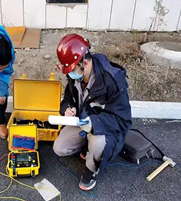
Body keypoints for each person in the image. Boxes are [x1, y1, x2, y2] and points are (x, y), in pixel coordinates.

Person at [53, 34, 132, 191]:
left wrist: (94, 124)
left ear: (85, 63)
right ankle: (87, 146)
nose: (70, 75)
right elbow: (67, 98)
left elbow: (123, 121)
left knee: (98, 142)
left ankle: (91, 171)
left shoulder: (113, 81)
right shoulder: (76, 75)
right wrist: (68, 108)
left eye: (72, 71)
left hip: (105, 130)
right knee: (59, 148)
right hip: (82, 123)